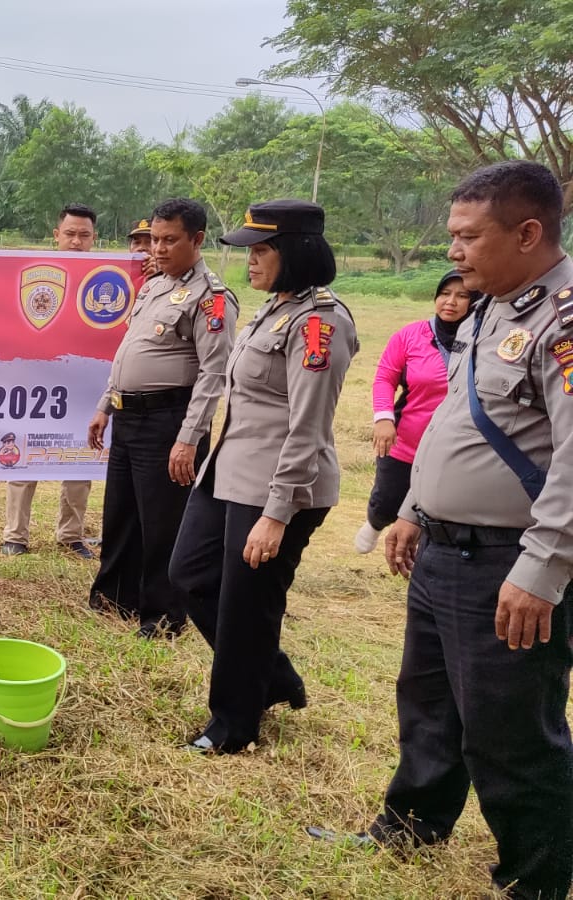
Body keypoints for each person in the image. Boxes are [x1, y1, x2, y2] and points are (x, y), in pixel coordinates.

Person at [315, 161, 573, 900]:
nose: (453, 251)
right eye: (451, 234)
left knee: (511, 731)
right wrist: (412, 511)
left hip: (507, 562)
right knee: (428, 701)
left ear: (528, 233)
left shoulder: (561, 319)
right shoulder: (493, 308)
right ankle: (413, 822)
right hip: (444, 549)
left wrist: (541, 570)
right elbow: (460, 420)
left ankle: (536, 878)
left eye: (468, 236)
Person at [168, 199, 358, 754]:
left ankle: (232, 725)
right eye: (248, 249)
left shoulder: (320, 322)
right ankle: (270, 676)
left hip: (279, 485)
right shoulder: (276, 308)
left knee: (247, 606)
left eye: (262, 250)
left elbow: (308, 428)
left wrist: (277, 513)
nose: (249, 260)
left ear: (296, 251)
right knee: (189, 576)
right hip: (228, 471)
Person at [87, 199, 235, 638]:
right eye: (155, 239)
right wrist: (104, 405)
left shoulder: (212, 298)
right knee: (121, 513)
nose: (159, 248)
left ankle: (164, 614)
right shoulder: (153, 287)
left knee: (163, 523)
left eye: (170, 240)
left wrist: (189, 438)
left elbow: (213, 374)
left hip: (170, 421)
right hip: (129, 416)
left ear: (197, 239)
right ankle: (115, 596)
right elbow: (128, 353)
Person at [2, 203, 100, 560]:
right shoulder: (31, 273)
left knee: (81, 459)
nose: (76, 242)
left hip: (84, 388)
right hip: (34, 385)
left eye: (84, 235)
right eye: (70, 234)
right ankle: (15, 535)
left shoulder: (107, 278)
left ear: (94, 238)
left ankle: (71, 535)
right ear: (56, 235)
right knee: (22, 458)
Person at [352, 270, 473, 553]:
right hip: (405, 441)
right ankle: (374, 522)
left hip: (455, 448)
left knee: (437, 510)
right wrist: (383, 418)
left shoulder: (483, 339)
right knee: (387, 500)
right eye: (445, 293)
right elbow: (385, 377)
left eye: (462, 296)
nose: (451, 302)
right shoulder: (410, 335)